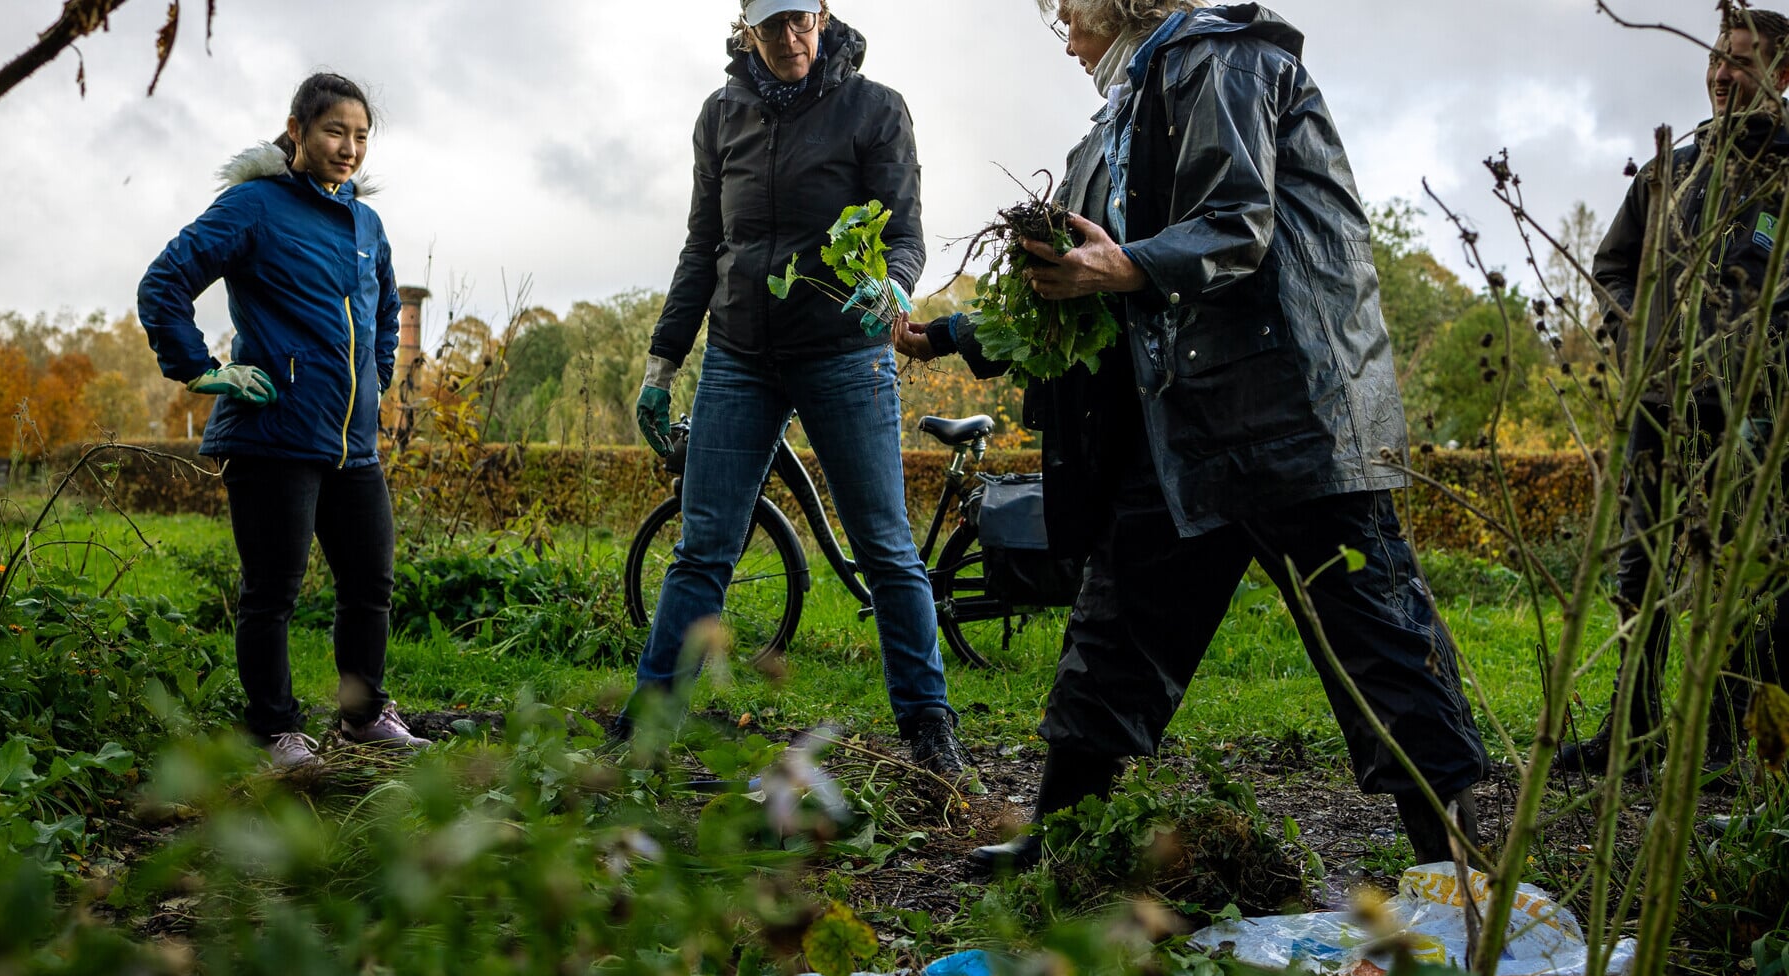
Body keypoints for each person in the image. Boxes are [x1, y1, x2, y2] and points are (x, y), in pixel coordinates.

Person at [898, 0, 1490, 869]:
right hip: (1181, 428)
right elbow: (1075, 289)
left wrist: (1120, 263)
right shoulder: (1108, 129)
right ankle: (1056, 844)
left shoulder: (1227, 59)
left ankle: (1466, 873)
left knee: (1377, 641)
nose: (1058, 16)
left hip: (1292, 416)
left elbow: (1235, 224)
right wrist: (951, 333)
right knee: (1115, 634)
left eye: (1070, 0)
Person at [625, 0, 968, 777]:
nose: (791, 39)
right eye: (773, 24)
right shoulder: (721, 116)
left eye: (801, 20)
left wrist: (896, 288)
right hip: (741, 355)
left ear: (822, 13)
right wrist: (662, 362)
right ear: (745, 27)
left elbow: (905, 236)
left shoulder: (875, 109)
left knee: (885, 548)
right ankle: (645, 733)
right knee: (703, 548)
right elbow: (702, 247)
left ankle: (928, 730)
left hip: (844, 354)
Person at [138, 73, 426, 770]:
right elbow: (164, 282)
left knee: (370, 586)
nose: (349, 148)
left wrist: (377, 377)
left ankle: (361, 718)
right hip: (272, 438)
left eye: (361, 136)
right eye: (335, 132)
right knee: (272, 593)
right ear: (295, 130)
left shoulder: (366, 222)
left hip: (352, 445)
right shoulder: (254, 207)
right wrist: (202, 369)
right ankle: (274, 733)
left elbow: (385, 310)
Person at [1554, 9, 1789, 779]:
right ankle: (1632, 733)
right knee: (1642, 571)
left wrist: (1766, 362)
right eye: (1720, 59)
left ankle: (1722, 746)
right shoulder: (1672, 169)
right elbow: (1612, 265)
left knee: (1742, 579)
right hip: (1661, 407)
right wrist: (1633, 343)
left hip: (1756, 414)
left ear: (1781, 77)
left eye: (1744, 63)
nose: (1724, 75)